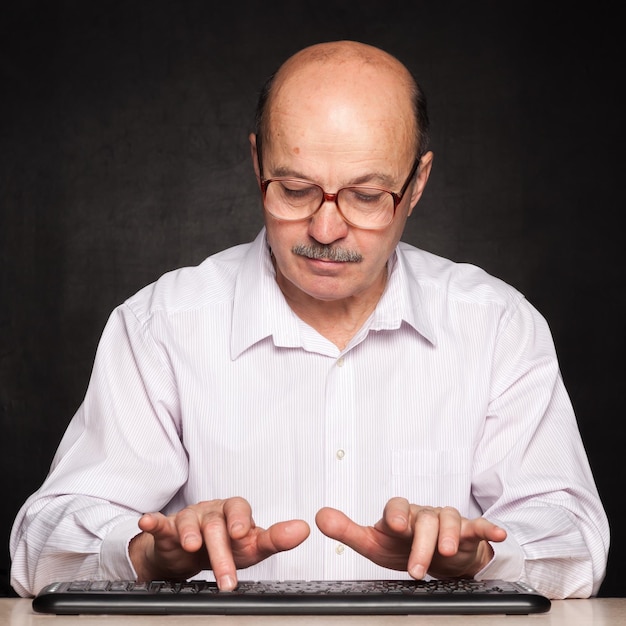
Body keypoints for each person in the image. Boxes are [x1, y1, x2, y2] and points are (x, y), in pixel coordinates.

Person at [10, 40, 609, 601]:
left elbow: (575, 542)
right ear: (256, 164)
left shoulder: (498, 325)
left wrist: (480, 556)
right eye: (295, 190)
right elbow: (41, 550)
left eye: (367, 196)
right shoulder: (159, 327)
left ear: (418, 183)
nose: (326, 231)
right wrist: (146, 554)